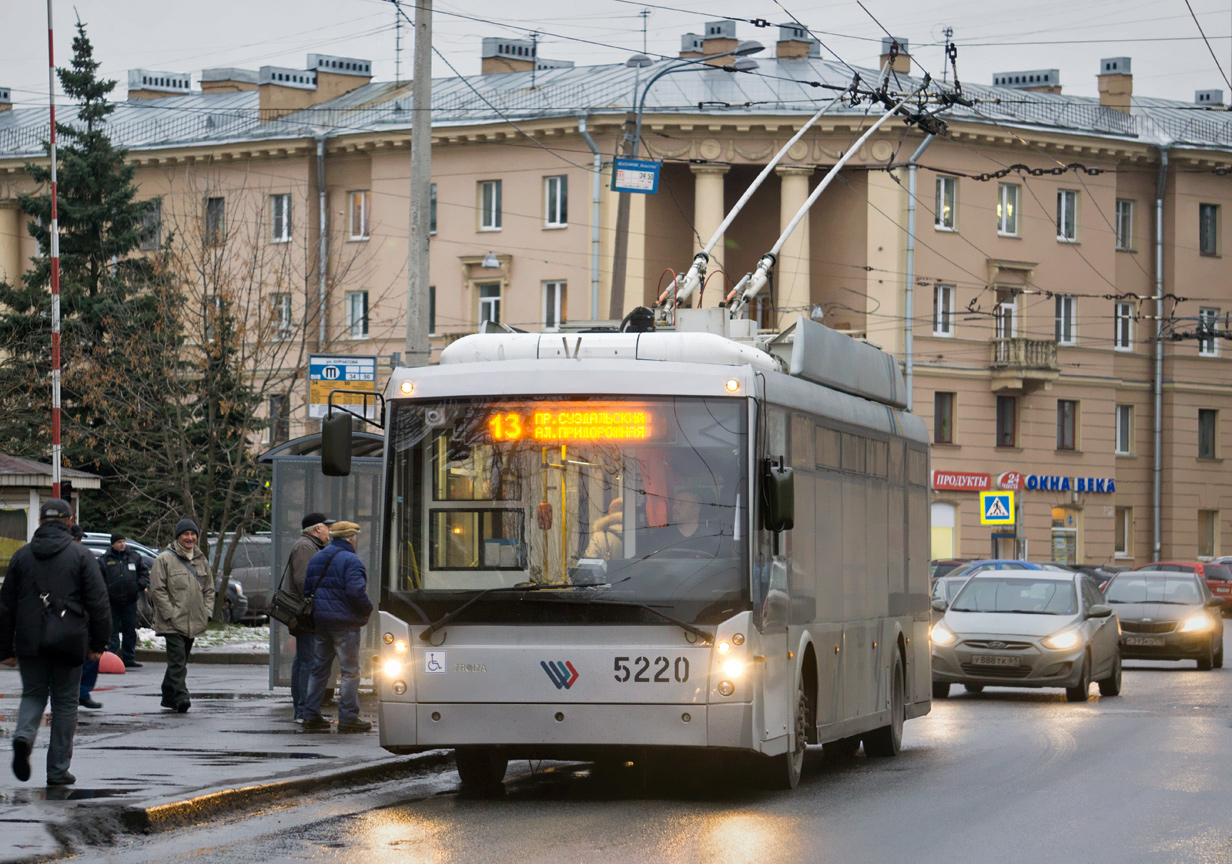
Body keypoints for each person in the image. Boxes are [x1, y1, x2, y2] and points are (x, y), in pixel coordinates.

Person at [0, 499, 111, 785]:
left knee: (33, 695)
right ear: (69, 521)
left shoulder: (21, 556)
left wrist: (4, 649)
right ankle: (58, 770)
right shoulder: (81, 555)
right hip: (69, 639)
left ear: (39, 522)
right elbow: (99, 603)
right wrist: (99, 643)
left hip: (29, 640)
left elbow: (5, 606)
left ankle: (23, 737)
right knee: (64, 703)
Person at [301, 521, 373, 734]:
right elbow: (356, 592)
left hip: (321, 623)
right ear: (351, 538)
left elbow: (307, 590)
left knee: (319, 670)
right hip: (345, 624)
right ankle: (349, 718)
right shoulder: (352, 560)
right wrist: (367, 610)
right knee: (350, 672)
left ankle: (311, 715)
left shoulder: (317, 557)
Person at [149, 519, 214, 714]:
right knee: (177, 660)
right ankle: (181, 697)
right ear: (178, 537)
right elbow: (157, 590)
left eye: (193, 534)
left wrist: (207, 613)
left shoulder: (201, 560)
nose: (190, 538)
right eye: (185, 534)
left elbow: (209, 590)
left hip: (194, 620)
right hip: (172, 622)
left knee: (180, 660)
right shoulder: (164, 560)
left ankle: (168, 696)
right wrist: (170, 613)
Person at [286, 512, 334, 722]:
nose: (329, 531)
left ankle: (302, 709)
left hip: (304, 611)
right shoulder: (305, 547)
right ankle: (304, 710)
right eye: (327, 526)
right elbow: (304, 580)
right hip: (305, 612)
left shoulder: (308, 545)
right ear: (317, 528)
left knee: (303, 660)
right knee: (308, 661)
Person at [101, 533, 150, 669]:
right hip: (112, 601)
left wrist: (137, 587)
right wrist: (107, 591)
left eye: (123, 541)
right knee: (113, 631)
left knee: (129, 630)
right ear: (112, 544)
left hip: (130, 600)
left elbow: (144, 574)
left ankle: (129, 658)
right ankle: (113, 658)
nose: (122, 544)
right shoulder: (105, 559)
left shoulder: (134, 557)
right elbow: (99, 578)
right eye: (119, 542)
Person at [69, 524, 104, 710]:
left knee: (90, 658)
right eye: (77, 539)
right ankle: (62, 695)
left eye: (81, 539)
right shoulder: (63, 558)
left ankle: (83, 692)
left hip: (85, 614)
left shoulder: (87, 558)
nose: (79, 542)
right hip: (67, 616)